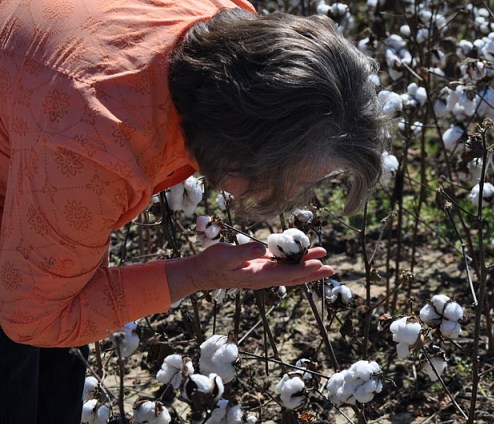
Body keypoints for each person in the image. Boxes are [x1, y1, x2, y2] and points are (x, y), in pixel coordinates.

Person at [0, 0, 386, 422]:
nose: (300, 196)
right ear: (240, 149)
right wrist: (195, 275)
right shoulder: (97, 143)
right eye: (297, 180)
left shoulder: (227, 32)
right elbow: (32, 319)